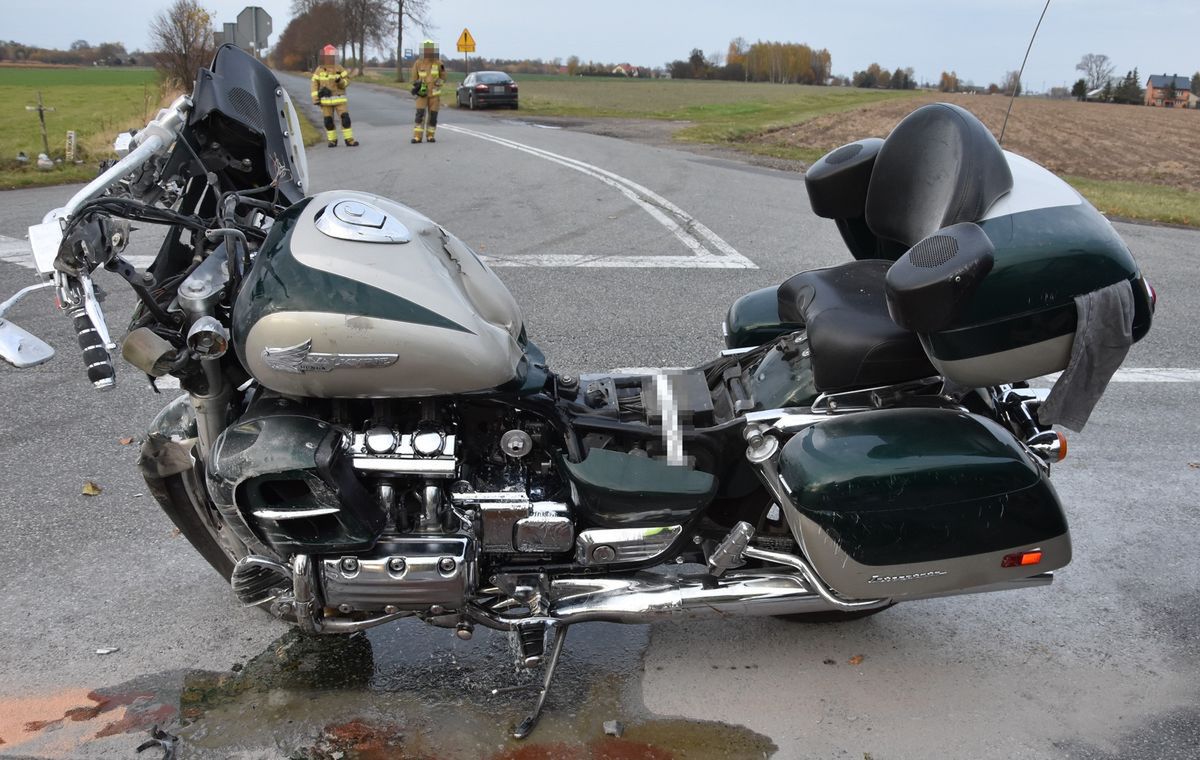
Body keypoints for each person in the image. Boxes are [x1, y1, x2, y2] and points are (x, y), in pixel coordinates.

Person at [310, 44, 359, 147]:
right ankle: (332, 140)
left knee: (345, 119)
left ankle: (349, 140)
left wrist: (340, 81)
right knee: (328, 121)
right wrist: (315, 98)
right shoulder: (319, 69)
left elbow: (347, 82)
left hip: (340, 100)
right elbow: (314, 84)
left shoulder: (339, 68)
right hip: (325, 102)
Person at [409, 40, 446, 143]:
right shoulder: (418, 63)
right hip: (422, 93)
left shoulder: (439, 63)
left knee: (433, 116)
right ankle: (417, 136)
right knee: (420, 115)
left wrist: (438, 83)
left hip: (434, 94)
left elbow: (444, 77)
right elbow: (413, 78)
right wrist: (417, 86)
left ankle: (430, 135)